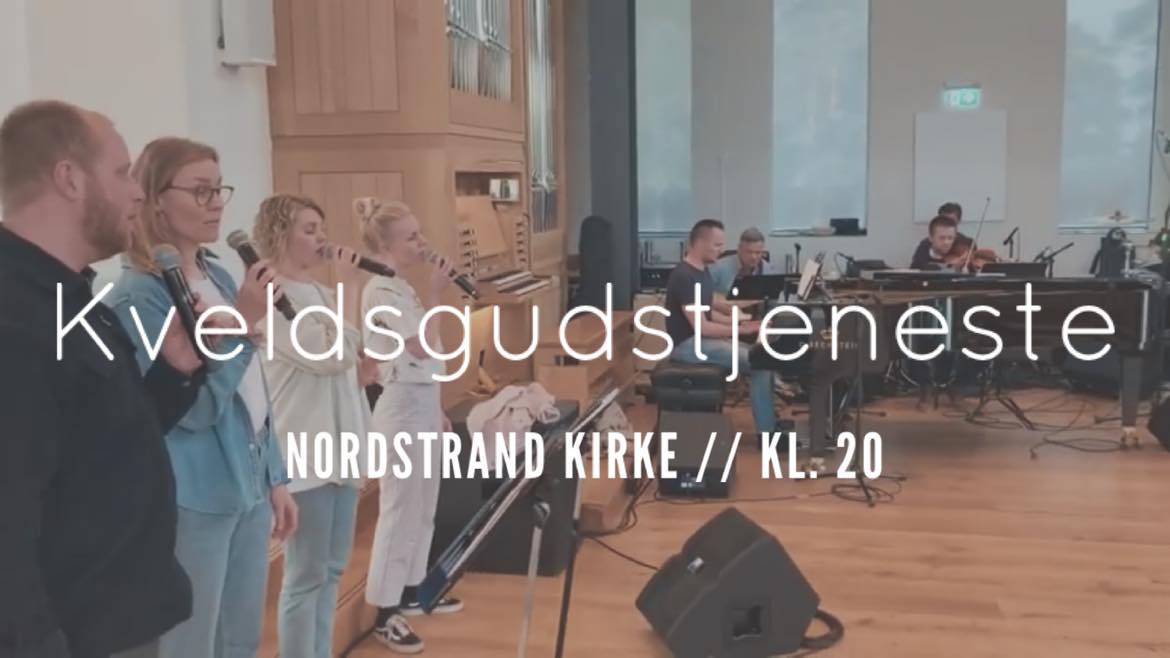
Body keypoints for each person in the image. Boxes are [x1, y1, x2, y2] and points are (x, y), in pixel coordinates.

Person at [0, 100, 206, 658]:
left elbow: (108, 441)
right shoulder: (15, 316)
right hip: (73, 633)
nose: (137, 193)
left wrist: (173, 372)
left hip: (119, 615)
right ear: (69, 178)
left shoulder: (72, 297)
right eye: (121, 173)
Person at [109, 137, 298, 658]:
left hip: (247, 483)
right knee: (191, 645)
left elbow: (252, 390)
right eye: (200, 191)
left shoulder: (217, 273)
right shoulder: (140, 295)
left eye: (219, 190)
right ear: (155, 198)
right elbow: (191, 410)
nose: (216, 203)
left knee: (239, 642)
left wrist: (275, 476)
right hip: (195, 496)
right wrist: (244, 322)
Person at [253, 194, 377, 658]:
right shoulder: (271, 296)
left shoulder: (321, 294)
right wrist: (349, 289)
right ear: (279, 235)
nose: (322, 239)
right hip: (305, 453)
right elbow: (328, 354)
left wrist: (359, 373)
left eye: (322, 230)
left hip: (342, 450)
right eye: (309, 230)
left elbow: (346, 357)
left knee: (331, 572)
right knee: (305, 578)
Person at [358, 197, 464, 655]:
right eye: (412, 237)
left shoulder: (401, 286)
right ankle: (384, 613)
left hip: (421, 404)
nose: (422, 243)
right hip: (400, 410)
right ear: (385, 245)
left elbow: (429, 359)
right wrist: (438, 293)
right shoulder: (379, 291)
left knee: (425, 505)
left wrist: (436, 409)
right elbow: (419, 347)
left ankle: (412, 589)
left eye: (420, 234)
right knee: (400, 509)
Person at [664, 218, 777, 439]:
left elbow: (708, 312)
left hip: (699, 342)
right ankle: (767, 434)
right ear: (700, 243)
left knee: (763, 359)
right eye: (717, 245)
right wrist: (743, 331)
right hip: (687, 346)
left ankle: (769, 426)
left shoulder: (702, 272)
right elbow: (702, 326)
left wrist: (742, 323)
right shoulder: (684, 276)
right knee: (761, 363)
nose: (722, 250)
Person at [708, 227, 778, 298]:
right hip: (725, 304)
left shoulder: (768, 269)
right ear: (739, 249)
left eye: (758, 253)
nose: (753, 257)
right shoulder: (717, 268)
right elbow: (704, 295)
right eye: (749, 252)